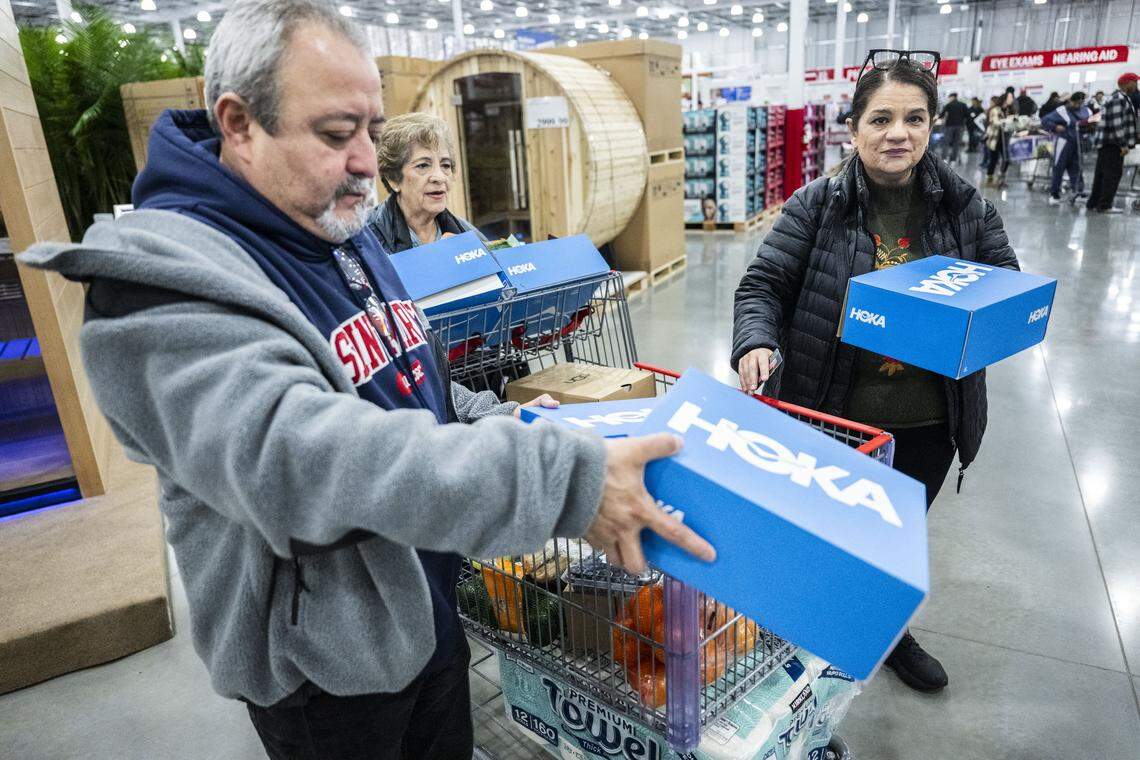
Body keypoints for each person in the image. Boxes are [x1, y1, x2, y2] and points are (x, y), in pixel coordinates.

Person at [17, 2, 716, 758]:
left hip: (426, 611)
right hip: (326, 674)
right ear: (239, 123)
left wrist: (517, 426)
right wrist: (560, 482)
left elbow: (418, 392)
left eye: (372, 133)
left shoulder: (336, 229)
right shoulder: (163, 289)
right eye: (334, 133)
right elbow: (301, 461)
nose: (362, 161)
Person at [732, 54, 1019, 694]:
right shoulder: (817, 205)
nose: (899, 133)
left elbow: (1004, 282)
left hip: (927, 420)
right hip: (835, 417)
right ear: (854, 128)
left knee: (892, 543)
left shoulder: (965, 206)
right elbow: (763, 286)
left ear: (931, 126)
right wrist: (754, 342)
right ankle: (799, 645)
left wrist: (987, 315)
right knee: (821, 538)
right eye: (882, 118)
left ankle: (887, 634)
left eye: (914, 119)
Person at [369, 113, 479, 251]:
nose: (439, 177)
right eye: (423, 165)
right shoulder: (365, 239)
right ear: (393, 179)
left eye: (445, 165)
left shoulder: (468, 234)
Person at [1086, 73, 1138, 214]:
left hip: (1108, 143)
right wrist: (1123, 144)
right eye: (1135, 82)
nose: (1136, 85)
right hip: (1113, 143)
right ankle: (1105, 205)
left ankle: (1094, 203)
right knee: (1112, 174)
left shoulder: (1118, 98)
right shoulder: (1119, 99)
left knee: (1102, 174)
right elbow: (1117, 124)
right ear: (1127, 83)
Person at [1042, 91, 1091, 205]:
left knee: (1076, 168)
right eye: (1075, 103)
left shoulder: (1086, 111)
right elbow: (1045, 120)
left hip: (1077, 143)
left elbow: (1089, 123)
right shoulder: (1062, 110)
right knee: (1058, 167)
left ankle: (1078, 191)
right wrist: (1055, 126)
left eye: (1080, 103)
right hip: (1064, 142)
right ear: (1070, 101)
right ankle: (1054, 194)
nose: (1077, 105)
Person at [937, 91, 969, 163]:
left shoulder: (949, 105)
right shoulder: (963, 105)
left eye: (950, 97)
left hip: (949, 126)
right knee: (956, 143)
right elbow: (967, 115)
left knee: (946, 142)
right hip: (960, 126)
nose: (949, 99)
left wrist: (937, 118)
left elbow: (942, 115)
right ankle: (953, 159)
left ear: (953, 97)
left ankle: (944, 158)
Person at [985, 95, 1010, 185]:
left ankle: (1000, 178)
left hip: (1002, 139)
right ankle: (989, 180)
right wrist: (1006, 122)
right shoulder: (995, 110)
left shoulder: (1004, 110)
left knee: (1005, 159)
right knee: (993, 160)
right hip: (995, 139)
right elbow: (995, 122)